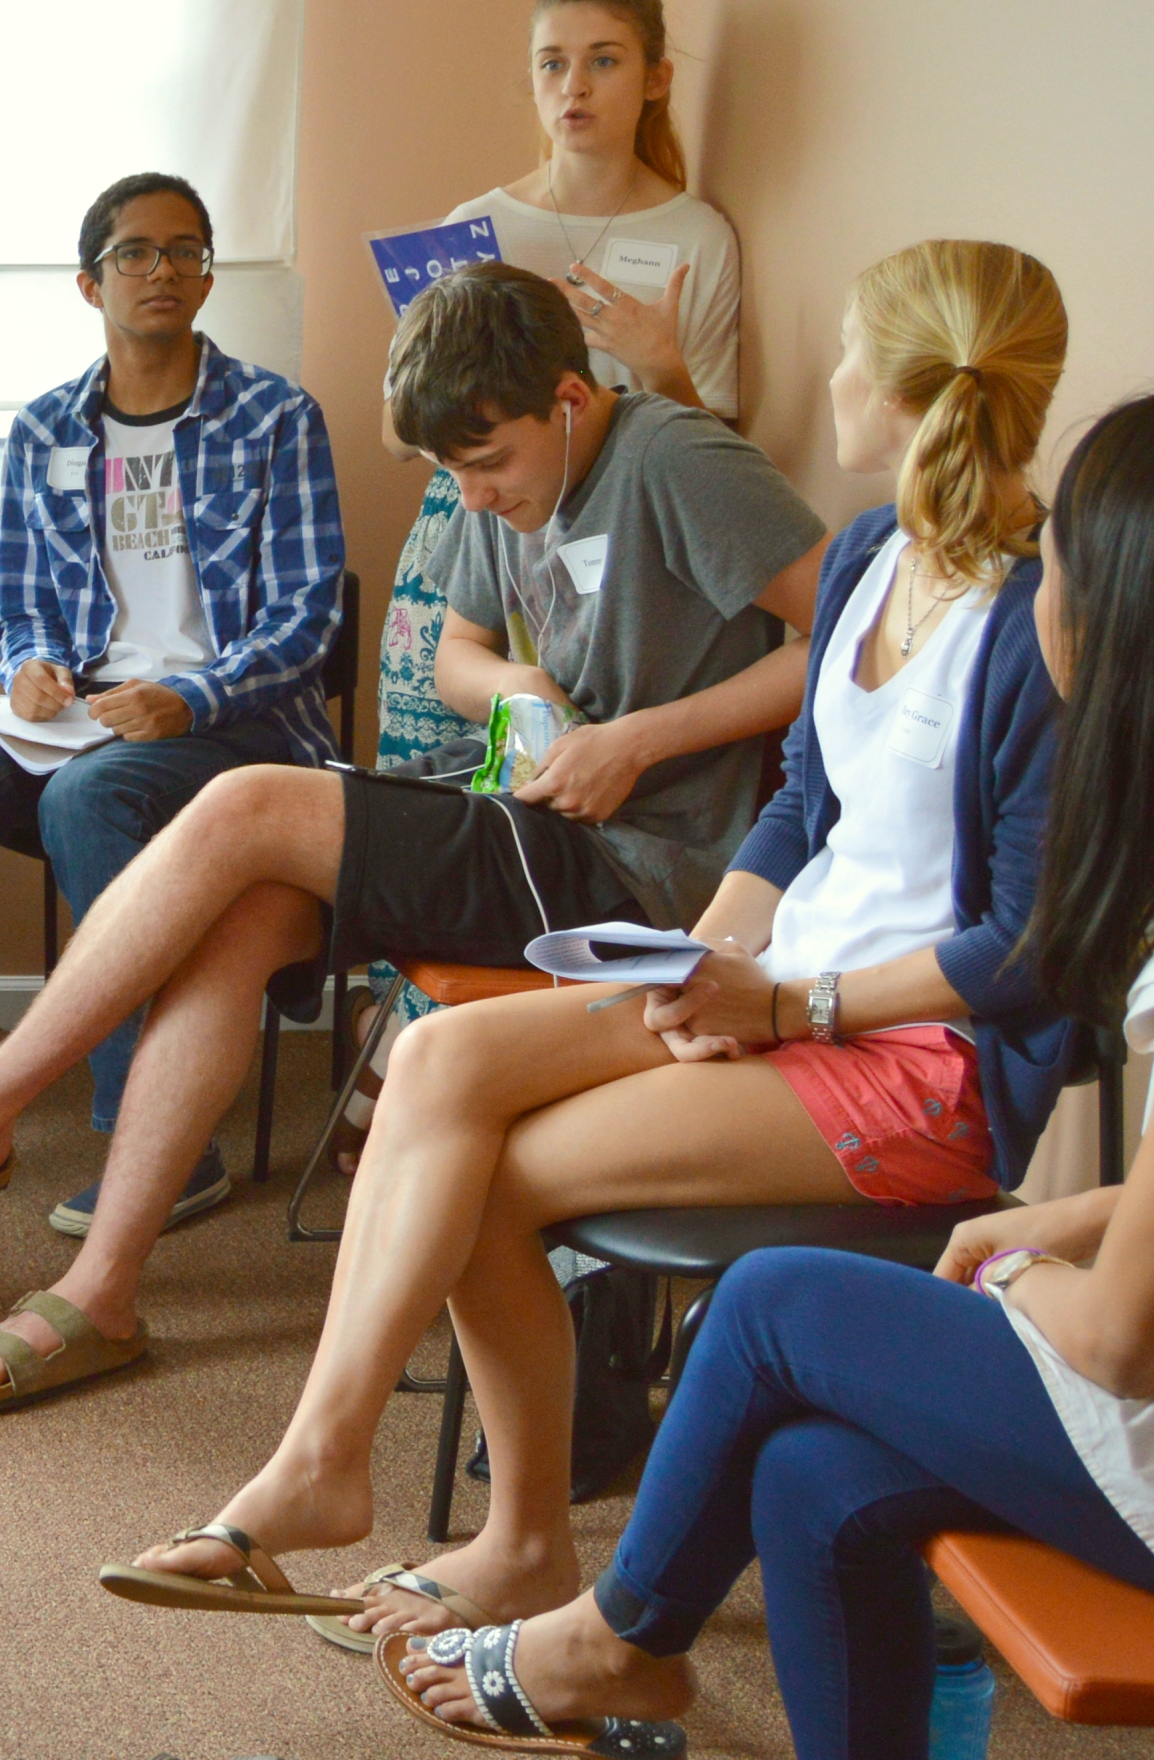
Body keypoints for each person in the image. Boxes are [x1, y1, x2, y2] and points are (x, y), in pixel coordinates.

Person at [385, 380, 1154, 1760]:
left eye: (1063, 546)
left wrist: (1015, 1281)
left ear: (1151, 619)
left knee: (778, 1311)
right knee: (830, 1468)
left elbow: (1135, 1340)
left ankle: (617, 1639)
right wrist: (1061, 1223)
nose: (1038, 573)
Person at [106, 242, 1076, 1642]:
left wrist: (788, 1005)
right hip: (774, 978)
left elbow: (1029, 945)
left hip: (917, 1052)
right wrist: (713, 956)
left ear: (918, 384)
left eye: (852, 355)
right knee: (437, 1063)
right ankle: (321, 1465)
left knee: (483, 1177)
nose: (830, 377)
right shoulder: (870, 560)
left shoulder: (1034, 620)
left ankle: (517, 1542)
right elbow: (803, 803)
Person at [0, 261, 826, 1412]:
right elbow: (456, 650)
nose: (472, 498)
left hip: (645, 867)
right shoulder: (512, 483)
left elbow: (852, 641)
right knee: (246, 916)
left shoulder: (678, 461)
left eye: (488, 466)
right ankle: (102, 1294)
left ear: (569, 401)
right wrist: (522, 687)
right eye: (451, 474)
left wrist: (643, 738)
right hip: (532, 808)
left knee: (247, 802)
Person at [0, 174, 344, 1244]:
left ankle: (156, 1143)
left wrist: (189, 694)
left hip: (237, 730)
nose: (162, 271)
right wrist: (28, 667)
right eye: (135, 253)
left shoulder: (276, 417)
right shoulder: (45, 429)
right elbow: (21, 607)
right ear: (89, 280)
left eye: (185, 251)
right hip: (91, 723)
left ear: (208, 273)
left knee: (87, 801)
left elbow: (308, 622)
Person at [366, 0, 749, 1114]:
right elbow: (421, 417)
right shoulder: (483, 223)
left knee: (557, 803)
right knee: (441, 774)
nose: (574, 85)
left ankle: (478, 1076)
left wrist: (659, 362)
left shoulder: (694, 233)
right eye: (552, 62)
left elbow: (722, 440)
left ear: (654, 80)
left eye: (603, 59)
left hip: (626, 538)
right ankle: (406, 1060)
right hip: (482, 520)